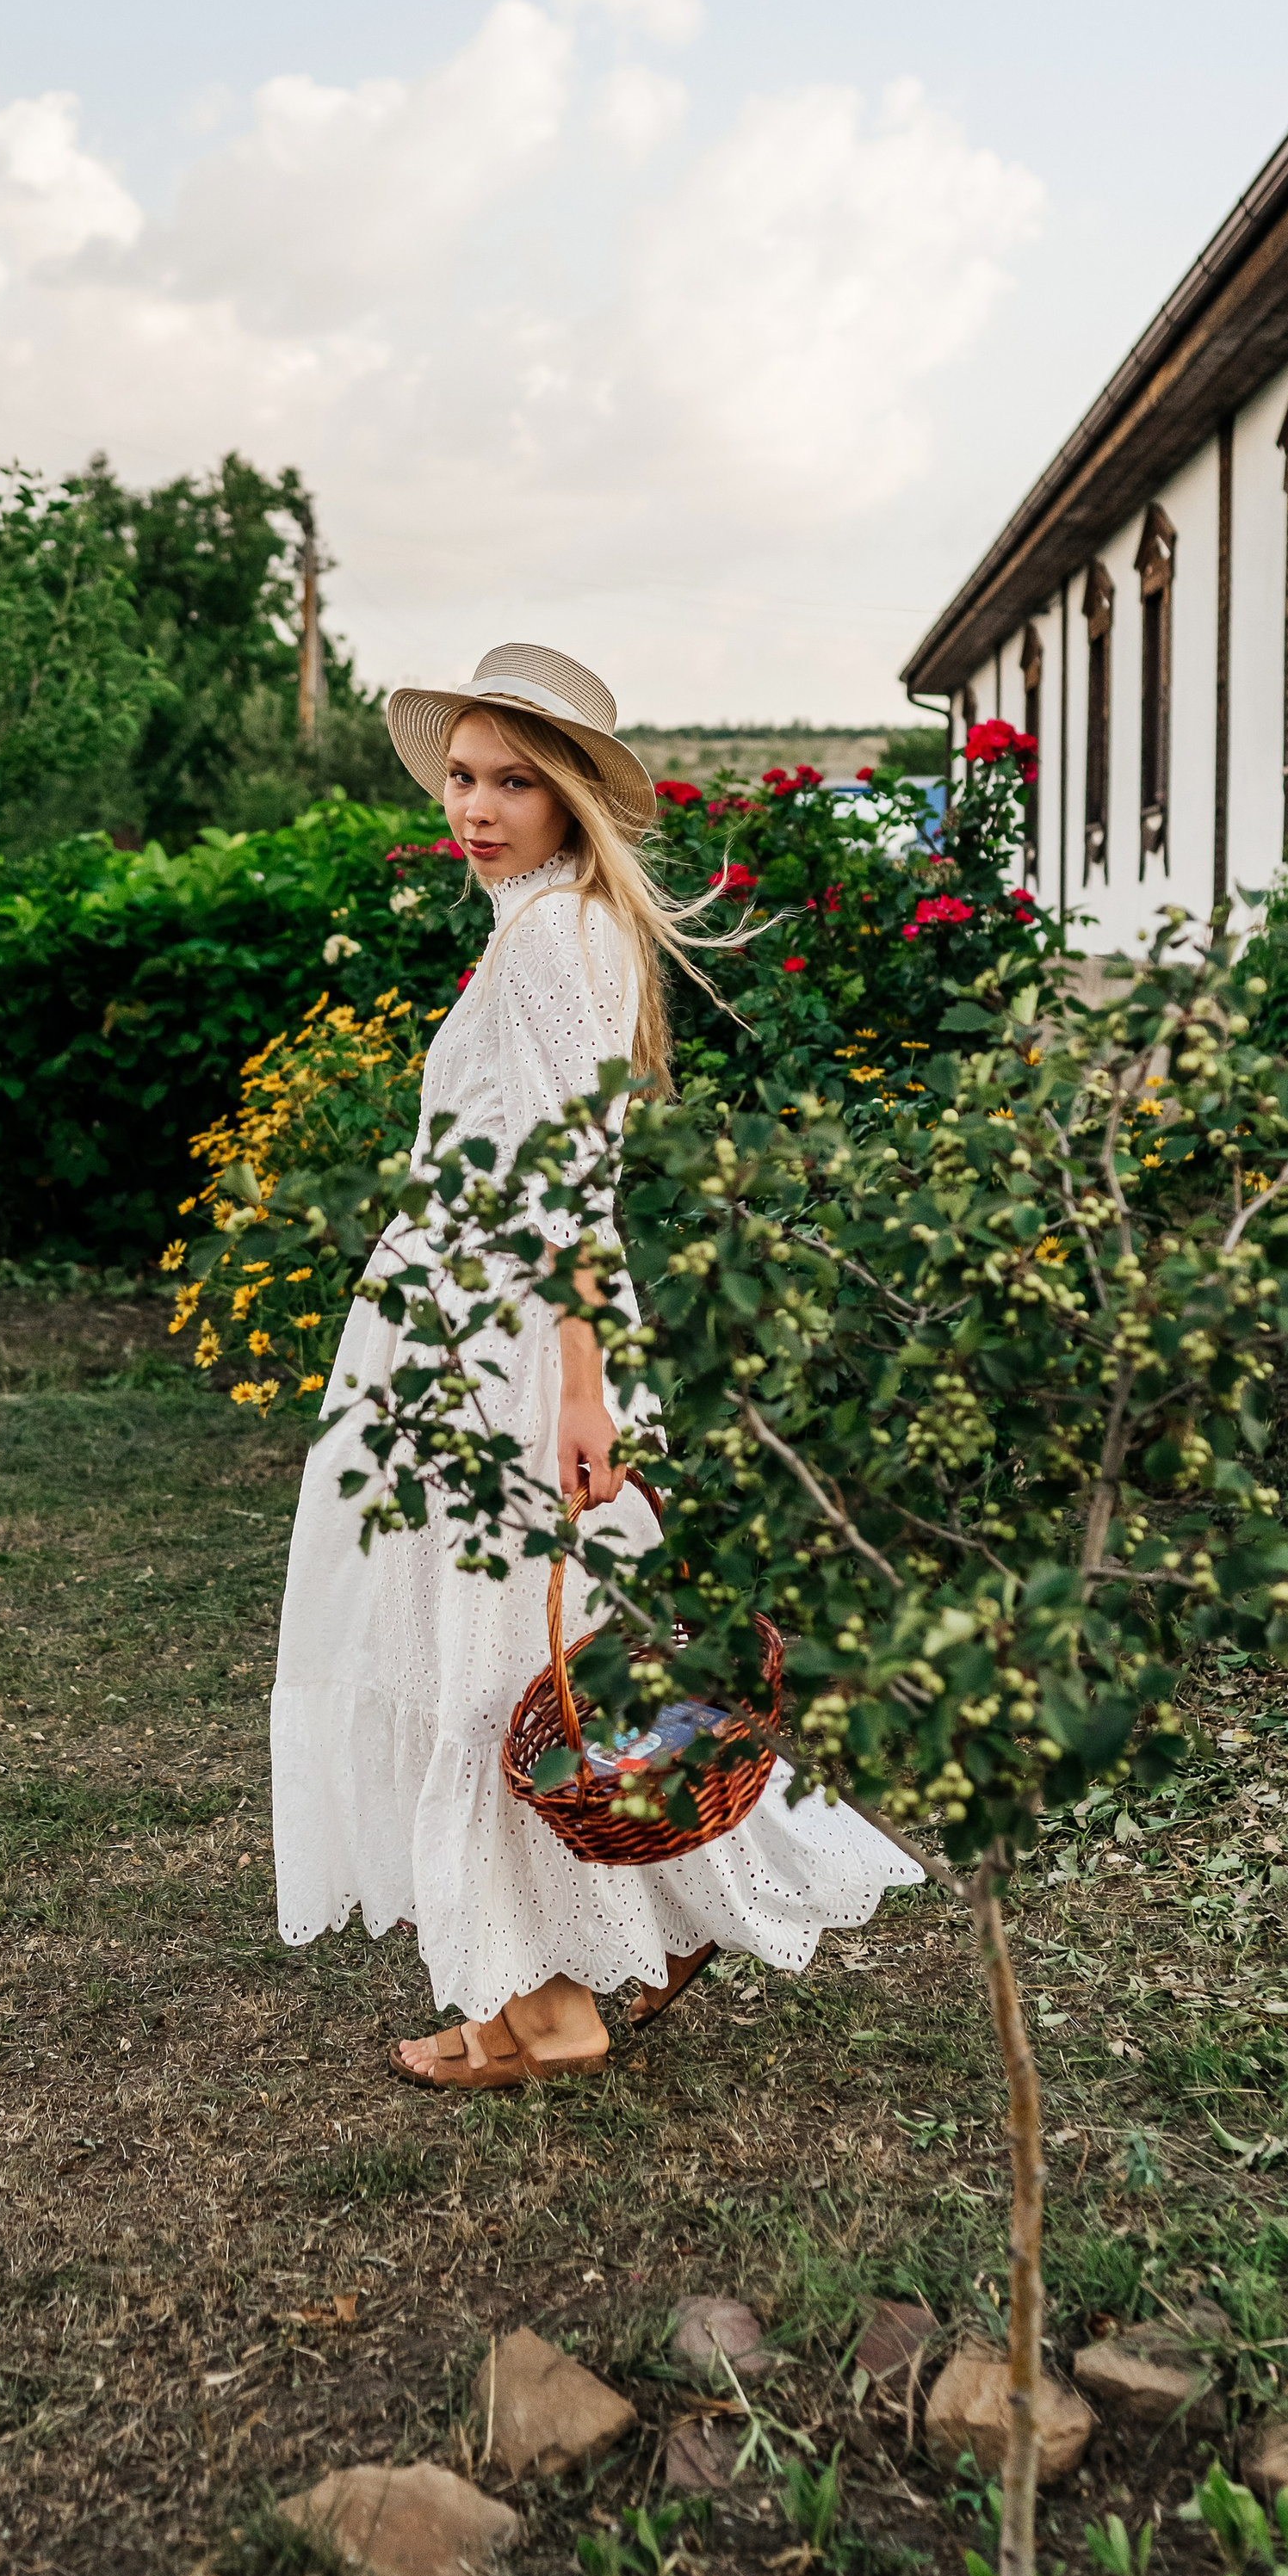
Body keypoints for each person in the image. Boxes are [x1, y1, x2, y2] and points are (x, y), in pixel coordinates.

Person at [268, 643, 920, 2090]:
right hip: (463, 1316)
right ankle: (572, 1961)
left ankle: (546, 2006)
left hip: (507, 1331)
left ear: (568, 796)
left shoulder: (560, 935)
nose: (479, 805)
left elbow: (573, 1176)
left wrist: (576, 1380)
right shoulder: (542, 925)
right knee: (509, 1645)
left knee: (503, 1653)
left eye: (514, 779)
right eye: (462, 775)